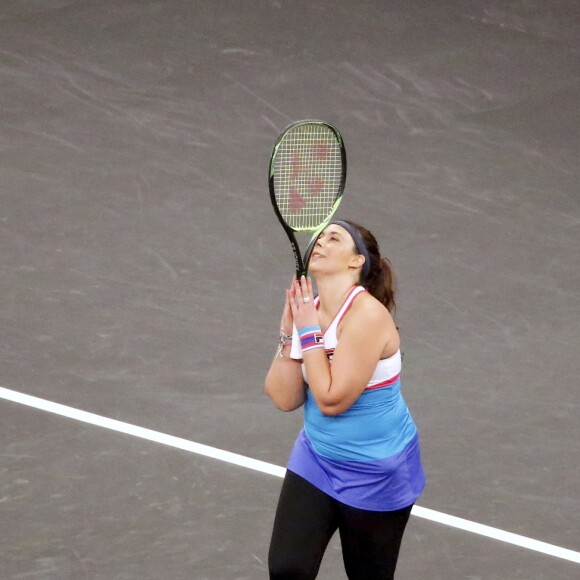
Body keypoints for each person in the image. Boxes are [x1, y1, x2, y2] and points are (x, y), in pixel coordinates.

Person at [265, 219, 426, 579]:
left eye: (334, 238)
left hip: (377, 473)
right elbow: (284, 396)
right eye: (319, 237)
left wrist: (307, 330)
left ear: (357, 262)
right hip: (318, 459)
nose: (319, 242)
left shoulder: (368, 316)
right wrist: (289, 328)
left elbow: (332, 400)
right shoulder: (311, 309)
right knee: (287, 569)